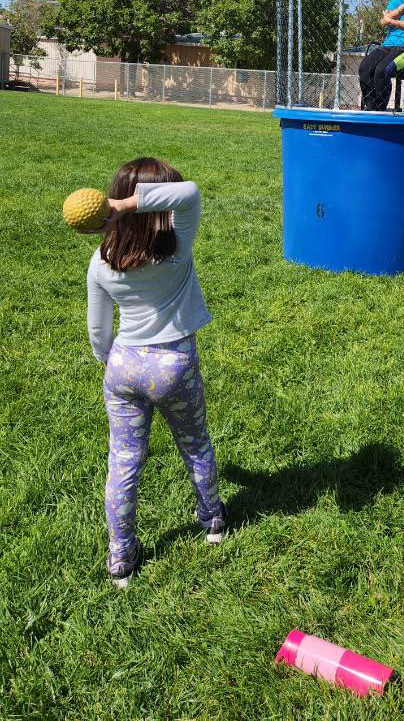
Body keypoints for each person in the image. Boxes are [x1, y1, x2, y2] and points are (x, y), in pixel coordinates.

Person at [87, 157, 226, 587]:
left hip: (125, 364)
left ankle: (120, 558)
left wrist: (106, 359)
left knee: (124, 461)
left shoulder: (102, 262)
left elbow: (98, 330)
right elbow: (191, 194)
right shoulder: (177, 247)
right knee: (196, 444)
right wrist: (132, 203)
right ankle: (213, 521)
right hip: (175, 362)